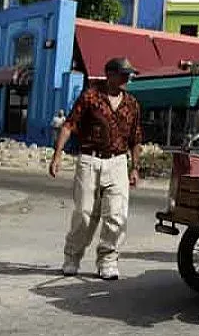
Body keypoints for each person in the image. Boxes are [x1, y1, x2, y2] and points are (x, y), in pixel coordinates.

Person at [49, 57, 143, 281]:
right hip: (90, 161)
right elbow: (69, 125)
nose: (126, 79)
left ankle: (108, 260)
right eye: (122, 74)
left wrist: (135, 167)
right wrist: (57, 156)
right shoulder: (90, 96)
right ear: (109, 74)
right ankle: (72, 257)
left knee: (117, 215)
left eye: (128, 75)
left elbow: (136, 138)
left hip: (118, 162)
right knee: (84, 213)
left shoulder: (132, 103)